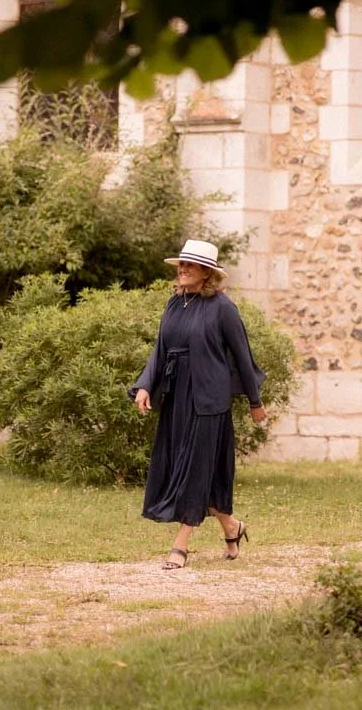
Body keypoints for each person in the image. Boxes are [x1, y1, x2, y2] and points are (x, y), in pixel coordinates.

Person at [130, 239, 269, 570]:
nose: (182, 269)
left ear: (206, 272)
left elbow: (243, 357)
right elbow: (160, 350)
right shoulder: (174, 304)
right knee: (195, 468)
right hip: (178, 396)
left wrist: (255, 402)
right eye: (181, 264)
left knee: (195, 468)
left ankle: (180, 545)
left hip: (209, 400)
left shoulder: (223, 308)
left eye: (189, 265)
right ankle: (232, 528)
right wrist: (145, 385)